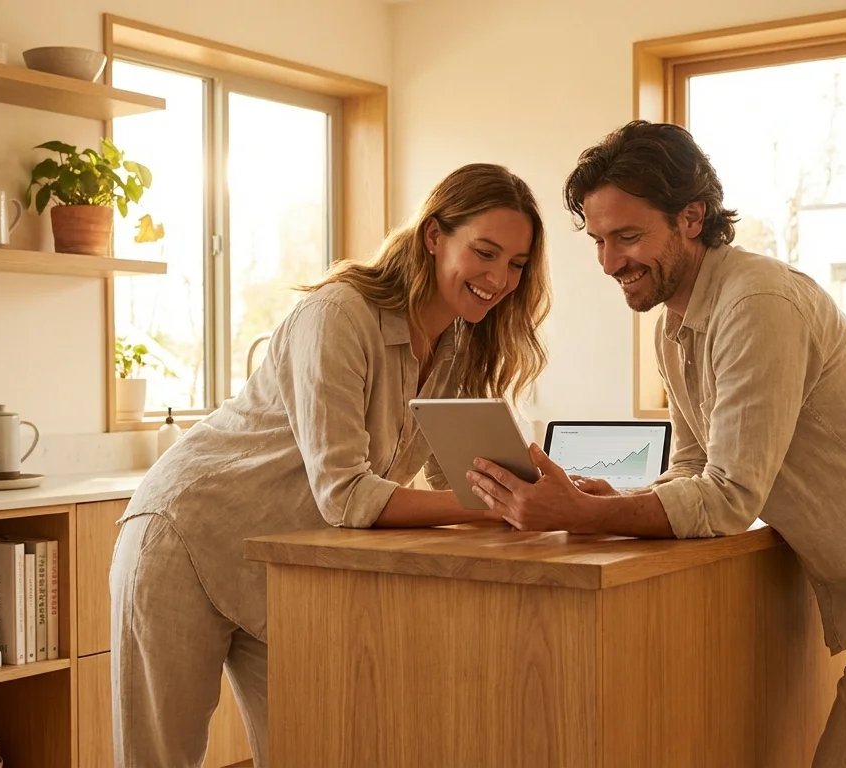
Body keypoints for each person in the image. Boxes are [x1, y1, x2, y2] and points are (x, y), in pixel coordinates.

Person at [466, 120, 846, 768]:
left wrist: (586, 515)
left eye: (628, 236)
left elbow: (730, 497)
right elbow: (698, 463)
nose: (610, 262)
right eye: (599, 240)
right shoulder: (675, 328)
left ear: (692, 217)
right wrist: (616, 495)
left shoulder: (756, 304)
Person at [109, 162, 551, 768]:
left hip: (282, 565)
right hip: (185, 538)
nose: (500, 278)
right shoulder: (340, 315)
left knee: (315, 749)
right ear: (433, 236)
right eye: (485, 252)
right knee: (160, 761)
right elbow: (346, 496)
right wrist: (500, 507)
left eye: (517, 264)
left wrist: (552, 492)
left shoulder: (459, 346)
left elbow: (471, 470)